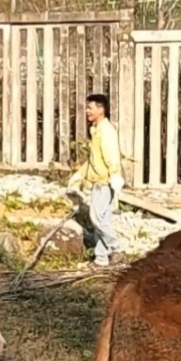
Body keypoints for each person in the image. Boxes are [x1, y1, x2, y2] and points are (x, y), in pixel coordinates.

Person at [66, 92, 128, 267]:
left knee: (97, 219)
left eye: (90, 108)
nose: (87, 111)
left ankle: (117, 249)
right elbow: (94, 160)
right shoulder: (97, 130)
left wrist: (115, 173)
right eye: (87, 107)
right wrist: (79, 175)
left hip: (104, 182)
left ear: (101, 110)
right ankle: (101, 259)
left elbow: (111, 156)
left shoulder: (106, 131)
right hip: (99, 181)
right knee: (103, 220)